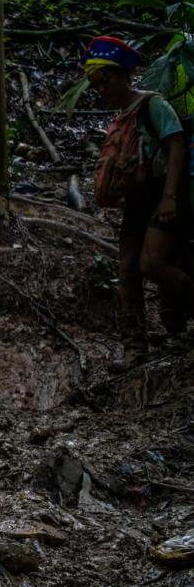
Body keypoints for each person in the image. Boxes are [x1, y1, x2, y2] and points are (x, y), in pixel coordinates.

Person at [84, 35, 194, 366]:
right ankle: (134, 347)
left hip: (164, 193)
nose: (101, 89)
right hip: (137, 201)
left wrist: (170, 198)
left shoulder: (152, 106)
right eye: (96, 84)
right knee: (128, 270)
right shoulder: (121, 119)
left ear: (120, 76)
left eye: (104, 80)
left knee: (151, 264)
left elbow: (176, 145)